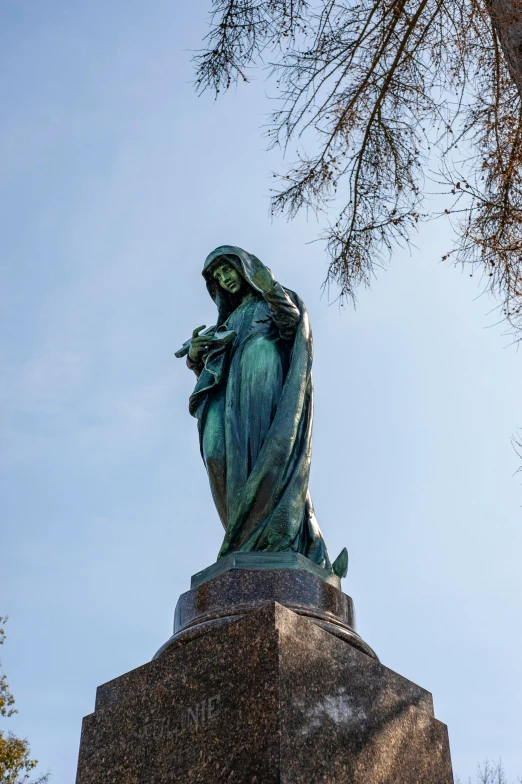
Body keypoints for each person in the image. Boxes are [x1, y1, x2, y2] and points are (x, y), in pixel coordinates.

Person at [180, 245, 346, 577]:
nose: (225, 279)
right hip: (228, 399)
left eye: (228, 270)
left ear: (245, 268)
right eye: (217, 277)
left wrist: (269, 286)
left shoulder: (269, 302)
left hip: (262, 382)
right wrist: (197, 357)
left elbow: (292, 324)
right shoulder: (225, 323)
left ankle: (292, 546)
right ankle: (253, 540)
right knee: (218, 458)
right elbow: (212, 375)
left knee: (271, 459)